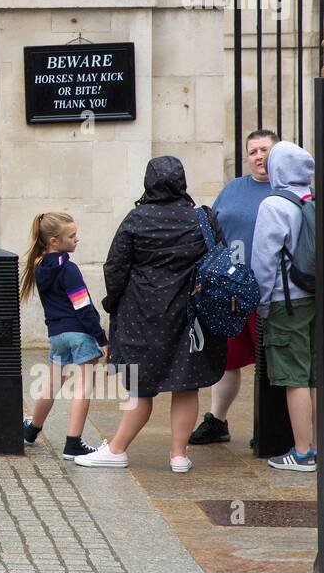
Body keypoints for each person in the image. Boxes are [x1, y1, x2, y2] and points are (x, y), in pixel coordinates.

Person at [76, 156, 227, 473]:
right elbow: (220, 259)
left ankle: (116, 449)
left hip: (142, 314)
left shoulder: (137, 219)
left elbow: (114, 268)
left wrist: (112, 302)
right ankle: (178, 455)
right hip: (191, 315)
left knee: (141, 387)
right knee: (186, 385)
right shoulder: (202, 218)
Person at [190, 129, 278, 445]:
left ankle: (273, 427)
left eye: (265, 150)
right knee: (227, 361)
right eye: (253, 151)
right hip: (231, 292)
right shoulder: (232, 189)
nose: (259, 157)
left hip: (272, 291)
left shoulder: (289, 190)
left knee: (273, 362)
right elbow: (212, 229)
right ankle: (217, 421)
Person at [251, 141, 318, 472]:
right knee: (313, 375)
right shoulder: (313, 199)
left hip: (286, 300)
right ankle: (317, 445)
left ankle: (302, 452)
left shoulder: (274, 205)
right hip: (316, 297)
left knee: (294, 377)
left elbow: (264, 261)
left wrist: (261, 303)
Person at [19, 211, 105, 459]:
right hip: (79, 332)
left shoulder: (40, 267)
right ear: (54, 241)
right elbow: (84, 307)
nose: (77, 239)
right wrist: (102, 338)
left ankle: (32, 430)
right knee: (84, 387)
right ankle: (73, 442)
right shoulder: (69, 269)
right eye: (72, 235)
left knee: (52, 384)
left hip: (57, 334)